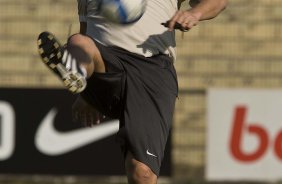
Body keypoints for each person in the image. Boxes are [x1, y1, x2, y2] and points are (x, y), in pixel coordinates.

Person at [37, 0, 227, 183]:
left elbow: (218, 2)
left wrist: (194, 13)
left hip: (152, 70)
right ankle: (76, 71)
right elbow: (86, 30)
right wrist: (87, 91)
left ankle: (78, 70)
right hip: (107, 63)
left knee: (142, 174)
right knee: (79, 41)